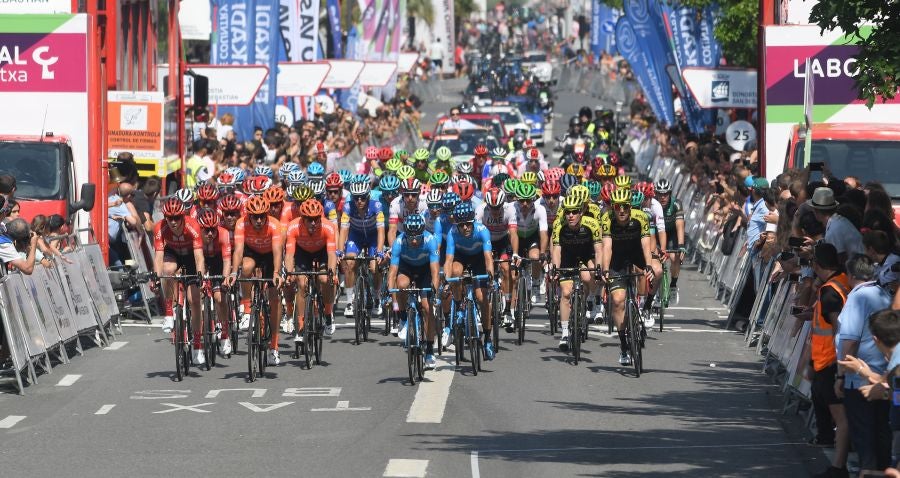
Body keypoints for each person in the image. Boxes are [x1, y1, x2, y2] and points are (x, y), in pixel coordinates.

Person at [834, 254, 893, 477]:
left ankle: (868, 472)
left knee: (864, 436)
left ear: (850, 276)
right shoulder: (884, 293)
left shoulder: (857, 298)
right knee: (882, 434)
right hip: (884, 375)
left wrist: (840, 376)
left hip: (860, 379)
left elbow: (849, 340)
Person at [225, 195, 285, 366]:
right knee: (245, 268)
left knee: (274, 298)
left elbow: (277, 252)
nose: (259, 220)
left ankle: (274, 345)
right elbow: (238, 251)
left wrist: (275, 272)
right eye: (255, 217)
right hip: (251, 253)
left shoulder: (274, 224)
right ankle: (246, 306)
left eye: (262, 216)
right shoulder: (241, 224)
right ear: (248, 215)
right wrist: (234, 273)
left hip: (269, 255)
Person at [600, 188, 653, 365]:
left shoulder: (641, 218)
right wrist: (606, 270)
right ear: (613, 208)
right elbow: (607, 247)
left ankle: (644, 308)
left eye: (625, 206)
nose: (621, 210)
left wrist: (649, 265)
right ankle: (623, 345)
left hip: (636, 253)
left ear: (630, 207)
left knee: (651, 273)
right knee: (617, 300)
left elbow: (646, 244)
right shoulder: (607, 219)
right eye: (617, 207)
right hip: (617, 259)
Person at [153, 198, 206, 365]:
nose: (173, 222)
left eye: (177, 218)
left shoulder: (193, 226)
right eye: (170, 218)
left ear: (183, 216)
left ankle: (197, 345)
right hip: (172, 253)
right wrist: (155, 277)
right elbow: (159, 257)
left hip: (190, 256)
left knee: (194, 300)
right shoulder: (160, 228)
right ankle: (169, 312)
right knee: (167, 271)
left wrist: (200, 276)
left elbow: (199, 257)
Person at [551, 193, 604, 352]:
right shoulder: (558, 225)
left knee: (589, 277)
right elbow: (557, 251)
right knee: (566, 293)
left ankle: (590, 299)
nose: (571, 215)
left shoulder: (592, 224)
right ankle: (565, 333)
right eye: (568, 212)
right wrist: (555, 269)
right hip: (568, 257)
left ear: (581, 212)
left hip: (586, 255)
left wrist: (599, 268)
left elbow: (598, 249)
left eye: (574, 212)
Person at [388, 214, 441, 369]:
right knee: (401, 284)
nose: (414, 240)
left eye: (417, 236)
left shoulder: (431, 240)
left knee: (426, 307)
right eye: (410, 237)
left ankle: (430, 349)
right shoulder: (399, 242)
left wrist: (435, 295)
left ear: (422, 232)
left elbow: (436, 273)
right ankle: (403, 318)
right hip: (407, 268)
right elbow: (392, 273)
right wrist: (392, 298)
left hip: (425, 271)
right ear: (405, 234)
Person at [444, 202, 496, 360]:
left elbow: (488, 258)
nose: (465, 228)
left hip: (479, 258)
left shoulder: (482, 231)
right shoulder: (453, 232)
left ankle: (487, 339)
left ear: (473, 222)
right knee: (456, 272)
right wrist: (447, 280)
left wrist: (490, 277)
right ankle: (459, 305)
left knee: (482, 299)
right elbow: (449, 259)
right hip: (461, 257)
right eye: (462, 225)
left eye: (468, 224)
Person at [285, 199, 338, 345]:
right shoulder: (293, 226)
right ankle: (301, 326)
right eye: (309, 220)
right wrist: (289, 274)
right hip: (303, 253)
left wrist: (331, 273)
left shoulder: (328, 227)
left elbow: (332, 254)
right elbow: (289, 255)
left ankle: (328, 313)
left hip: (322, 252)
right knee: (301, 283)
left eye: (316, 219)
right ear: (303, 219)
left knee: (324, 279)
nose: (313, 223)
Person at [338, 182, 386, 323]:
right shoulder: (348, 207)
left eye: (363, 198)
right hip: (356, 237)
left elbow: (381, 232)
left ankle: (377, 297)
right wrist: (340, 251)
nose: (359, 201)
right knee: (350, 263)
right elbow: (343, 231)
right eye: (356, 197)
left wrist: (379, 251)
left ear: (368, 196)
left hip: (372, 237)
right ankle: (349, 301)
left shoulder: (376, 206)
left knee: (374, 266)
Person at [476, 187, 519, 327]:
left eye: (498, 208)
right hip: (486, 242)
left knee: (506, 268)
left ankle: (507, 308)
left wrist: (516, 253)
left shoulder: (510, 210)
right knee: (484, 272)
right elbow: (476, 235)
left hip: (502, 241)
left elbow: (513, 234)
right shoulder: (480, 210)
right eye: (492, 208)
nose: (495, 211)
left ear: (503, 204)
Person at [196, 207, 234, 357]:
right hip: (201, 260)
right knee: (197, 293)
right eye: (206, 230)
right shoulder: (195, 235)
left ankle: (225, 334)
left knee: (219, 298)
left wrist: (225, 279)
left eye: (213, 229)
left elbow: (226, 261)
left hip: (218, 260)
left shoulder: (223, 234)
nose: (210, 233)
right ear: (200, 228)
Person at [810, 187, 864, 266]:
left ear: (816, 211)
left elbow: (839, 262)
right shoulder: (838, 222)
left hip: (861, 273)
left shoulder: (834, 229)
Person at [108, 181, 139, 267]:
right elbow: (133, 222)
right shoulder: (121, 206)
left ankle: (130, 269)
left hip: (113, 241)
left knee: (126, 257)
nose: (132, 198)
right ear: (128, 196)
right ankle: (127, 272)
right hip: (108, 242)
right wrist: (130, 208)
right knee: (119, 265)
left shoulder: (111, 198)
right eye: (132, 195)